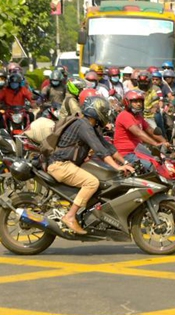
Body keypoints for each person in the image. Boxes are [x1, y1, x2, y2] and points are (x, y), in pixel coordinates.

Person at [47, 96, 135, 234]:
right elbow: (99, 150)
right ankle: (70, 216)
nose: (106, 114)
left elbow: (107, 147)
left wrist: (125, 162)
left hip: (68, 164)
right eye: (104, 111)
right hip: (60, 165)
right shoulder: (83, 125)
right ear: (96, 110)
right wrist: (117, 167)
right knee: (92, 183)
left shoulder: (91, 126)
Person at [114, 90, 168, 170]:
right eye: (135, 101)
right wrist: (155, 143)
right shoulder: (124, 115)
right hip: (126, 154)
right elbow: (139, 133)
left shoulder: (138, 117)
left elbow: (150, 130)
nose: (139, 104)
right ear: (127, 102)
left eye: (140, 101)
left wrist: (165, 142)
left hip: (138, 151)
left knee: (161, 162)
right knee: (152, 167)